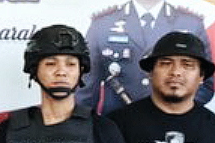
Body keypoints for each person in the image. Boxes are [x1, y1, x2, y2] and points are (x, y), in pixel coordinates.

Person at [77, 0, 213, 115]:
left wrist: (176, 110)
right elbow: (86, 88)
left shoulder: (191, 24)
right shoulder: (103, 24)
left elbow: (206, 84)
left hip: (173, 124)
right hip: (116, 125)